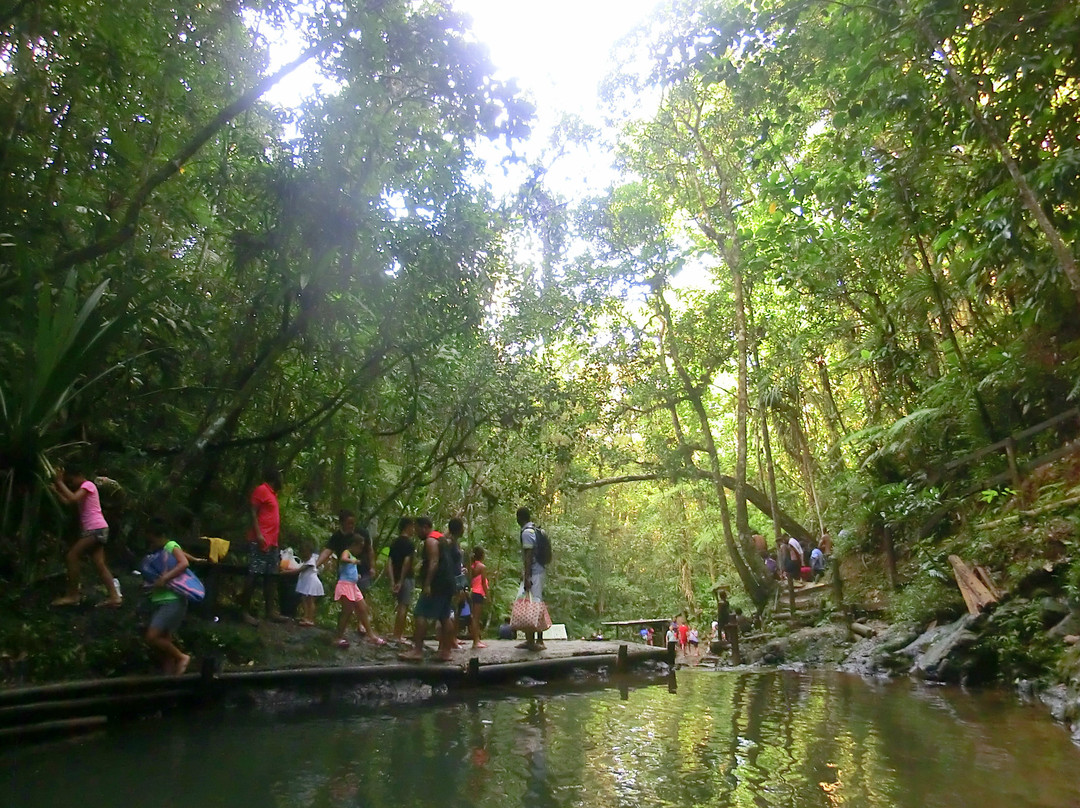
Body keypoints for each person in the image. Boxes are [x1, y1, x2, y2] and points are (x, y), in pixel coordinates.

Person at [51, 466, 122, 607]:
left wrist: (59, 482)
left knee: (72, 556)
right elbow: (67, 502)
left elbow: (71, 499)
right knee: (99, 564)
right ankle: (115, 597)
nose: (70, 484)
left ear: (79, 475)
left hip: (95, 528)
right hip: (97, 529)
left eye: (71, 481)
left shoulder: (88, 484)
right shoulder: (82, 490)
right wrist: (55, 491)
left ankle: (73, 595)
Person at [399, 516, 455, 662]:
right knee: (444, 616)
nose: (416, 532)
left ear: (424, 527)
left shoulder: (430, 540)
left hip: (437, 583)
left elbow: (434, 562)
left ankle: (417, 651)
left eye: (417, 529)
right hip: (448, 583)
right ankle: (446, 652)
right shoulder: (441, 538)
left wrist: (427, 583)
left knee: (420, 613)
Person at [142, 516, 192, 675]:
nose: (150, 543)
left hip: (172, 600)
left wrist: (164, 578)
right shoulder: (159, 551)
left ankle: (183, 657)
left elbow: (184, 563)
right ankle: (170, 677)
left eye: (152, 539)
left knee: (152, 637)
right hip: (161, 599)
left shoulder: (170, 545)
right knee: (165, 641)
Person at [239, 468, 286, 625]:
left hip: (272, 542)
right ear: (274, 478)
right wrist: (258, 534)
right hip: (260, 540)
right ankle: (244, 612)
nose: (282, 480)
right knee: (254, 574)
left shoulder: (272, 494)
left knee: (270, 576)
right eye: (280, 477)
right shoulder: (261, 490)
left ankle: (270, 612)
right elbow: (253, 512)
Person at [332, 529, 384, 648]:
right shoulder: (347, 553)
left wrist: (357, 575)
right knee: (347, 610)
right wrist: (353, 561)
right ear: (354, 545)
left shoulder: (354, 556)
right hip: (345, 585)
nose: (360, 551)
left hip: (353, 585)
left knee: (363, 608)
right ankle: (338, 636)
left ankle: (371, 635)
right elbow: (343, 559)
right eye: (359, 547)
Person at [516, 507, 548, 652]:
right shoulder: (535, 529)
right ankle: (533, 639)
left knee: (533, 605)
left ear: (520, 518)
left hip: (534, 572)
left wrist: (527, 576)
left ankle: (534, 641)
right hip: (538, 570)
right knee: (536, 603)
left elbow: (528, 556)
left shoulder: (527, 533)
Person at [387, 516, 416, 644]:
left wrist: (393, 580)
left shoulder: (394, 542)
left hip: (396, 576)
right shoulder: (409, 544)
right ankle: (398, 635)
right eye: (412, 526)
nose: (414, 529)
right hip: (406, 578)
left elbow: (389, 562)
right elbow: (407, 562)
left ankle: (396, 633)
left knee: (400, 605)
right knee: (403, 606)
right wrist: (401, 580)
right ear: (407, 526)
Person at [295, 540, 324, 627]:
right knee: (304, 599)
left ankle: (310, 618)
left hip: (311, 583)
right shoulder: (305, 560)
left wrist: (286, 572)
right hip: (305, 582)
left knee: (310, 600)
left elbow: (300, 570)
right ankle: (305, 615)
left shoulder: (311, 561)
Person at [469, 545, 489, 649]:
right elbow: (483, 584)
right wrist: (487, 596)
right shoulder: (482, 567)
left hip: (473, 593)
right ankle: (476, 641)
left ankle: (477, 639)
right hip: (479, 593)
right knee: (476, 618)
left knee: (474, 617)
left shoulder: (472, 566)